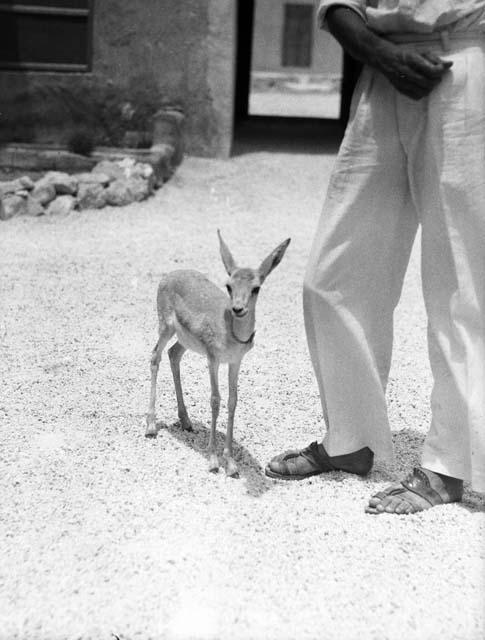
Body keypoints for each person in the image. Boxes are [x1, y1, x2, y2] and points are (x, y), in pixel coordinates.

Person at [265, 0, 485, 514]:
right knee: (332, 274)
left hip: (466, 71)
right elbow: (339, 6)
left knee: (462, 281)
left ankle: (450, 465)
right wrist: (380, 54)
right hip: (382, 70)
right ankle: (351, 439)